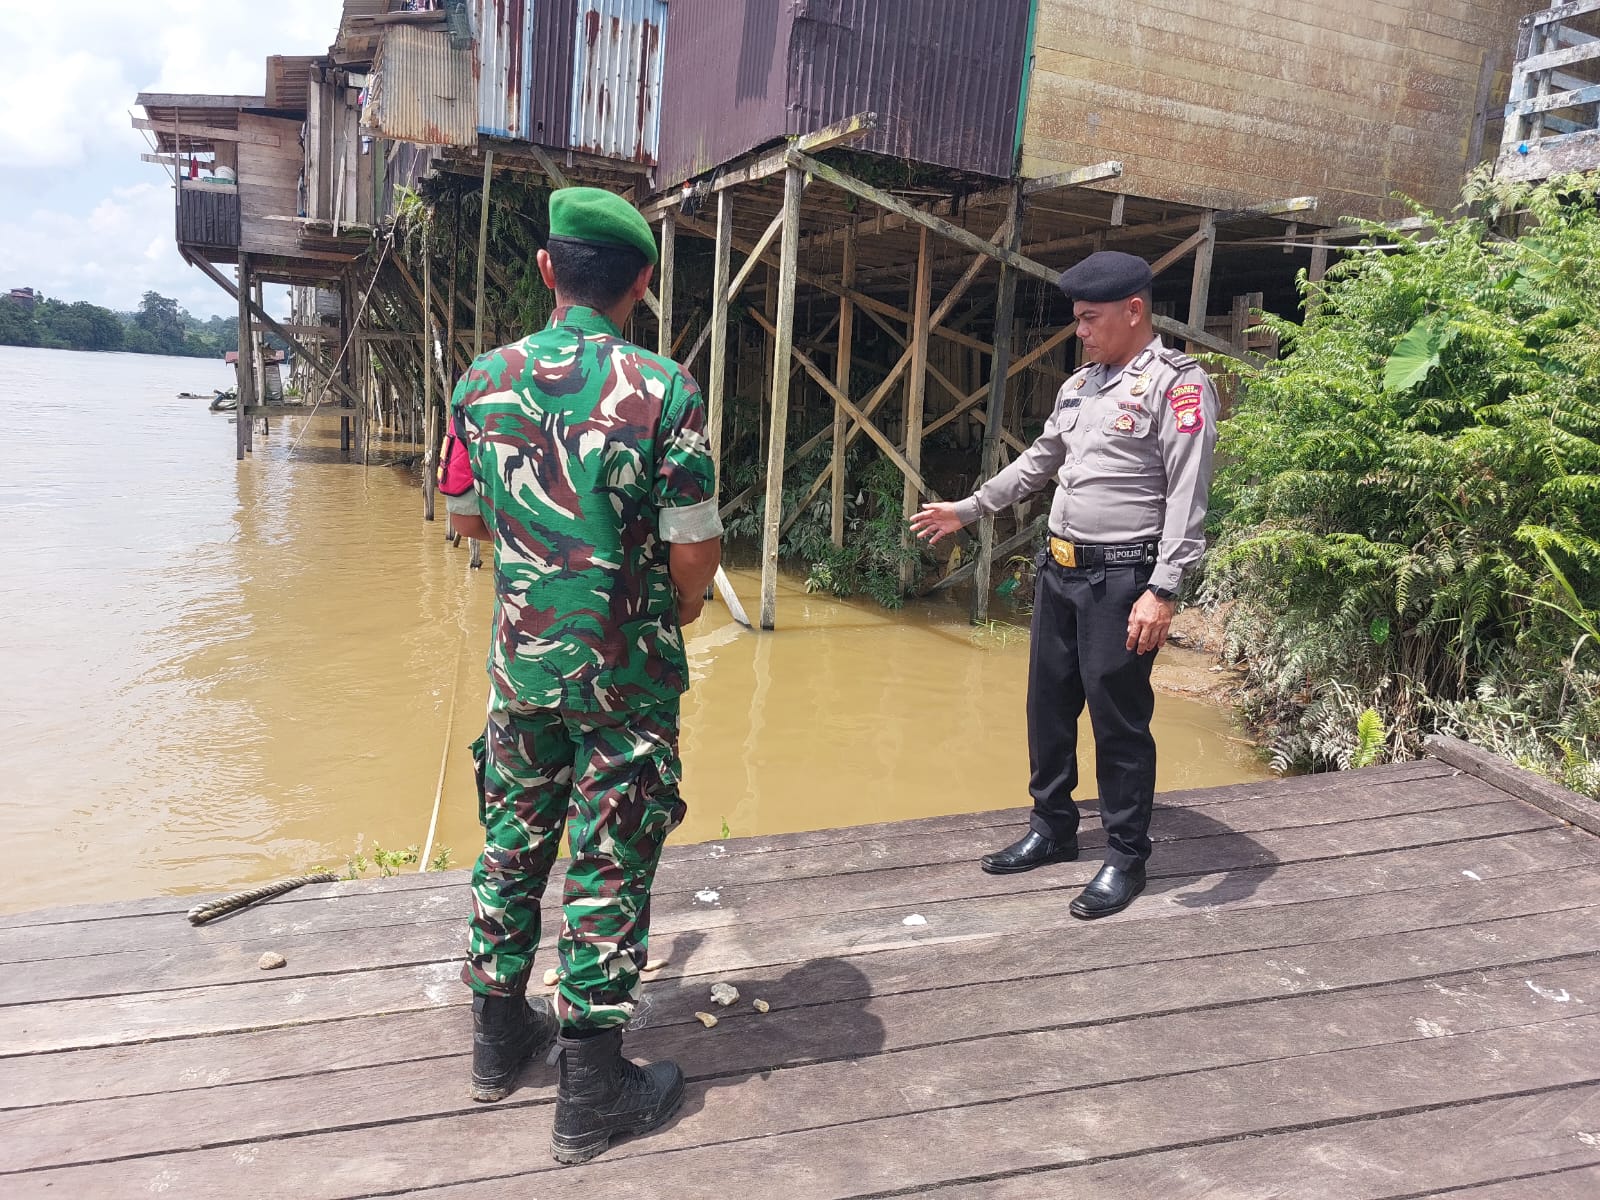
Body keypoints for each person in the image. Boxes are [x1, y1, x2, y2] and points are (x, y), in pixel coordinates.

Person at [438, 186, 722, 1162]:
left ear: (548, 271)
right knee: (609, 859)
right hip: (627, 676)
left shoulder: (481, 382)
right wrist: (673, 609)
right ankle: (590, 1091)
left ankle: (495, 1039)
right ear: (642, 283)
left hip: (522, 668)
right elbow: (694, 550)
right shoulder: (665, 390)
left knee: (513, 839)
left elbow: (464, 520)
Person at [910, 250, 1218, 919]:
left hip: (1122, 580)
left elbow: (1189, 496)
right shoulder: (1079, 386)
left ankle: (1126, 854)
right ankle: (1051, 827)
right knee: (1046, 707)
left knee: (1119, 721)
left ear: (1133, 311)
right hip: (1061, 572)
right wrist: (968, 509)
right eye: (1076, 319)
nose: (1079, 331)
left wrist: (1162, 590)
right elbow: (1039, 461)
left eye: (1089, 318)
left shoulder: (1177, 385)